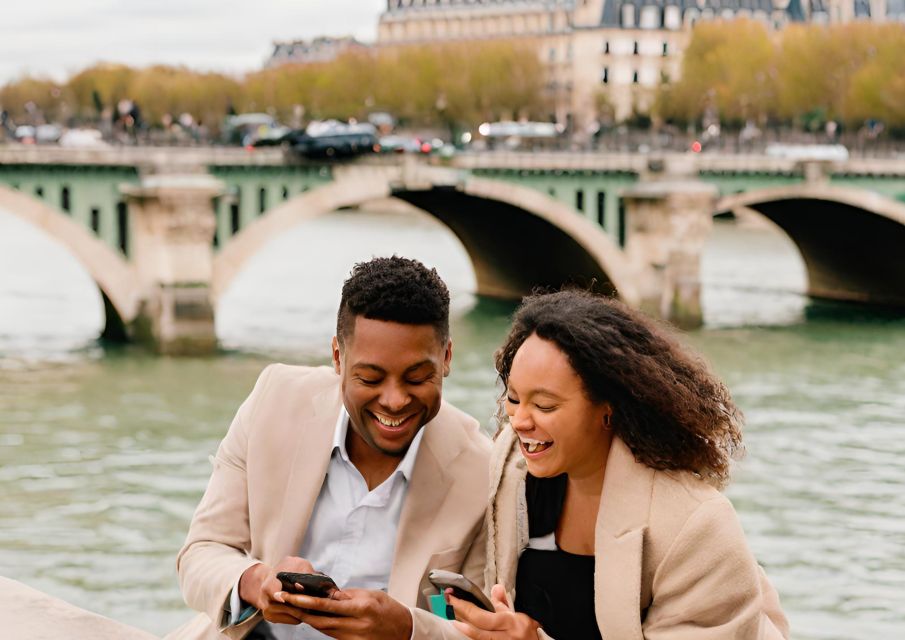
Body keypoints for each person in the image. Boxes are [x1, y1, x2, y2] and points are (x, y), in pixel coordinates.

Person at [168, 256, 490, 640]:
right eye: (370, 378)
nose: (394, 400)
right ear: (337, 357)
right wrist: (256, 581)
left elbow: (478, 630)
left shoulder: (482, 470)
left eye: (418, 378)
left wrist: (407, 629)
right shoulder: (274, 399)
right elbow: (202, 551)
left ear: (447, 359)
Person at [449, 290, 789, 640]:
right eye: (514, 399)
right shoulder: (511, 469)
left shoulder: (697, 526)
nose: (519, 421)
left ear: (608, 409)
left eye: (545, 406)